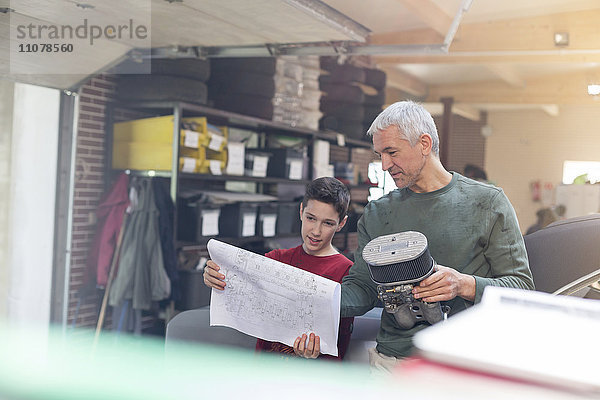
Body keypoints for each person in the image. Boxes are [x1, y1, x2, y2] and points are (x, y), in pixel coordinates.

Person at [294, 101, 535, 369]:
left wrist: (463, 284)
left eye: (391, 152)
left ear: (424, 143)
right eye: (380, 154)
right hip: (392, 363)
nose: (385, 165)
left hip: (464, 362)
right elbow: (362, 289)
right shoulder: (377, 213)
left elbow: (522, 289)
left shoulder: (488, 203)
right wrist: (306, 300)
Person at [203, 176, 354, 360]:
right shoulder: (275, 260)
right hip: (266, 373)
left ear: (342, 223)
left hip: (312, 382)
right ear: (301, 212)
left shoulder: (346, 273)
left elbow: (340, 341)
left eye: (327, 223)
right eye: (311, 218)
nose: (316, 230)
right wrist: (215, 276)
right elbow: (236, 289)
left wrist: (314, 355)